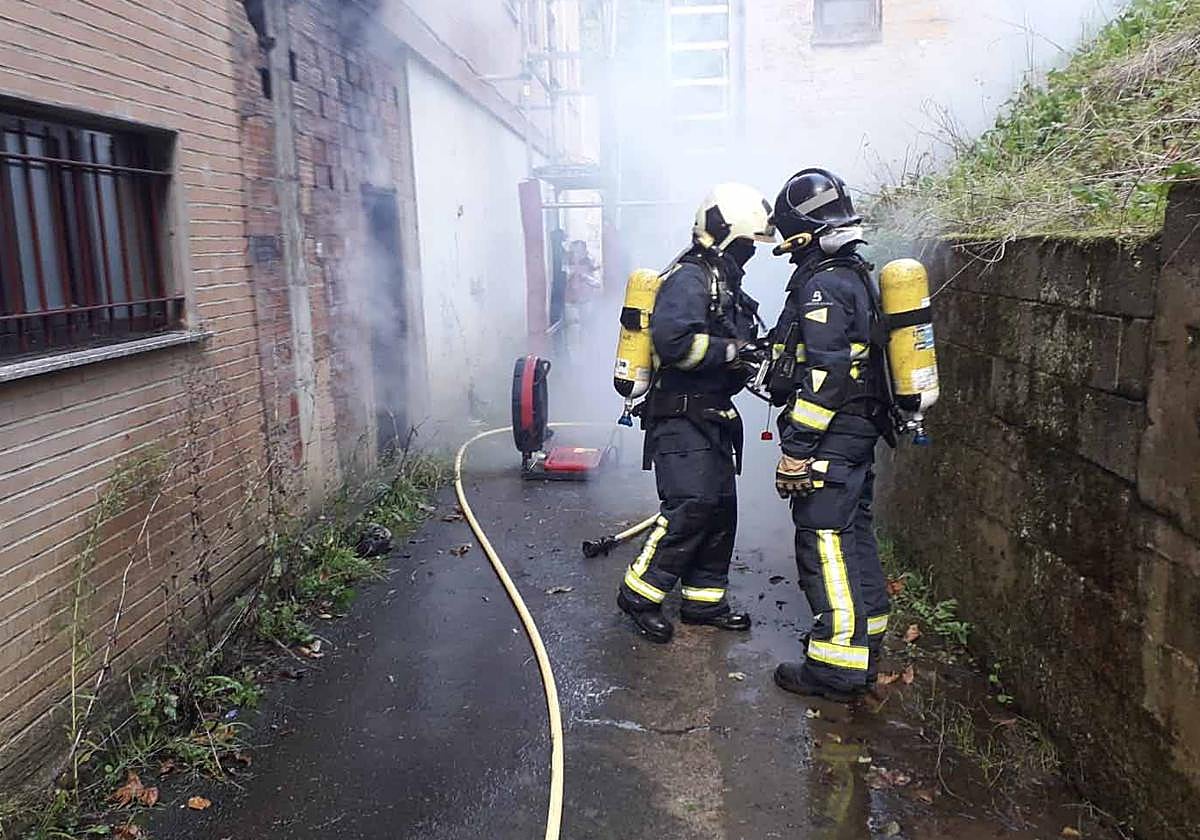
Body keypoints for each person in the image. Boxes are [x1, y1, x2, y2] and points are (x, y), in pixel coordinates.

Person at [617, 183, 776, 643]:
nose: (751, 252)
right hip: (678, 415)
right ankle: (638, 594)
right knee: (691, 505)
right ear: (724, 235)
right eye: (747, 243)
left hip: (712, 415)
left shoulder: (723, 281)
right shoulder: (689, 278)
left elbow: (737, 337)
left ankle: (704, 602)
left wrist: (758, 353)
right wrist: (732, 352)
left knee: (720, 509)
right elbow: (675, 343)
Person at [766, 168, 893, 701]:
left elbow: (826, 374)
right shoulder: (853, 273)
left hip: (833, 436)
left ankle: (836, 665)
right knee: (854, 531)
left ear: (803, 231)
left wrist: (796, 450)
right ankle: (868, 635)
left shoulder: (823, 283)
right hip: (858, 430)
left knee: (823, 540)